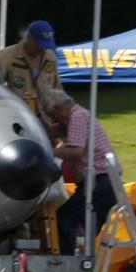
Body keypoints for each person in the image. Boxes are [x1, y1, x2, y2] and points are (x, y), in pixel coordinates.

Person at [44, 89, 118, 256]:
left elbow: (76, 151)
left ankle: (68, 264)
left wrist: (48, 152)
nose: (54, 120)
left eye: (52, 115)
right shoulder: (74, 118)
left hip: (98, 182)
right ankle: (80, 268)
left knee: (64, 217)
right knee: (83, 231)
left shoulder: (76, 117)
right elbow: (51, 131)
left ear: (58, 109)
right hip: (105, 183)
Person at [0, 20, 62, 129]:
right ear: (29, 38)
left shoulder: (50, 56)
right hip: (18, 119)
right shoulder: (7, 55)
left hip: (47, 121)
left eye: (46, 45)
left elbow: (58, 89)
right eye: (39, 45)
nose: (42, 49)